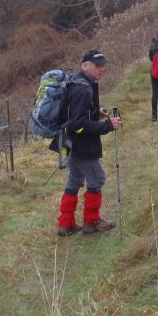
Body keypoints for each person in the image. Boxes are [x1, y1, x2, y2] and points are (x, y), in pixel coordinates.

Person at [55, 49, 122, 236]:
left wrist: (95, 112)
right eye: (97, 65)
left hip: (72, 143)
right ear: (85, 65)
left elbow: (75, 113)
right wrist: (107, 125)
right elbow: (79, 123)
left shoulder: (77, 81)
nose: (102, 69)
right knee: (97, 179)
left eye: (103, 65)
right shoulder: (84, 89)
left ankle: (65, 224)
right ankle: (91, 222)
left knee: (74, 179)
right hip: (83, 145)